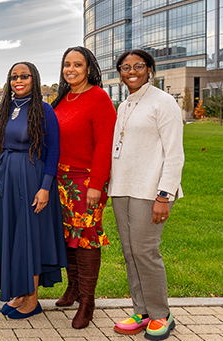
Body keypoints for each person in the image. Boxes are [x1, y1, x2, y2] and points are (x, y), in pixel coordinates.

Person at [0, 61, 66, 320]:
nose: (18, 80)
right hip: (3, 181)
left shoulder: (44, 109)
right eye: (14, 76)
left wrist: (45, 187)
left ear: (34, 79)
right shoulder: (2, 109)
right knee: (11, 235)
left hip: (31, 180)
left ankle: (32, 300)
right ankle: (19, 292)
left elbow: (53, 152)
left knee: (29, 237)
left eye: (24, 76)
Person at [109, 50, 184, 341]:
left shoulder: (163, 103)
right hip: (122, 189)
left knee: (145, 252)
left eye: (138, 66)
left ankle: (161, 314)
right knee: (130, 253)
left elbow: (174, 153)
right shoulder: (124, 104)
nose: (131, 71)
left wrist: (164, 194)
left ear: (149, 69)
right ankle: (141, 310)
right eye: (125, 67)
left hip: (150, 191)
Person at [50, 46, 117, 329]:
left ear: (89, 68)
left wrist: (96, 185)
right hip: (61, 181)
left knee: (86, 237)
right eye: (67, 64)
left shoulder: (99, 98)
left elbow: (105, 144)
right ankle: (73, 288)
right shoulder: (64, 98)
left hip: (86, 180)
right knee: (68, 237)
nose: (71, 69)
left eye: (78, 64)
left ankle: (88, 302)